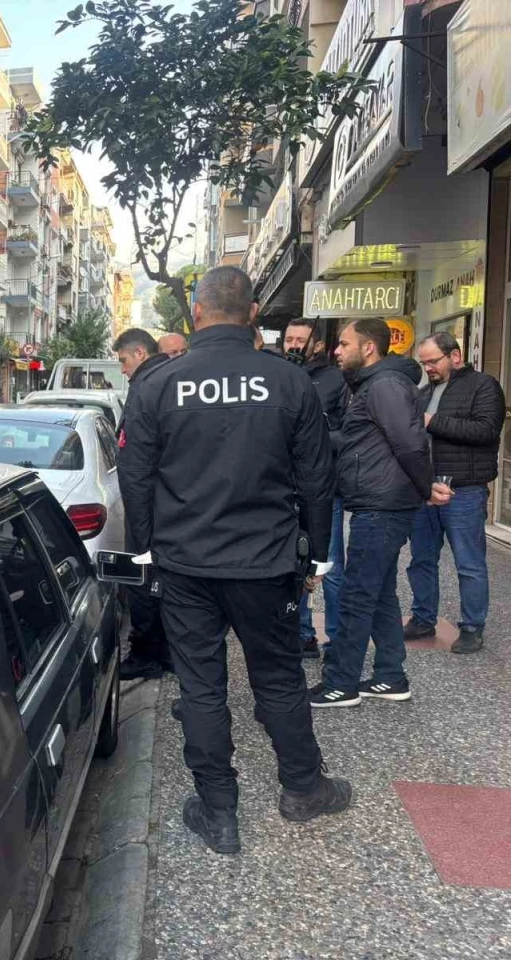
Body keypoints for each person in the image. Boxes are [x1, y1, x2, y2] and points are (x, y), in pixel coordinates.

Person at [119, 266, 349, 855]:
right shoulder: (289, 381)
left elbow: (135, 475)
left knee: (201, 686)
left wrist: (145, 550)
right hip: (266, 562)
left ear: (195, 313)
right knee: (279, 678)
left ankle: (219, 812)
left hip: (185, 564)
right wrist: (318, 556)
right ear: (253, 314)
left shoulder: (158, 382)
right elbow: (317, 478)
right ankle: (303, 788)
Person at [311, 318, 451, 708]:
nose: (336, 351)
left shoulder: (385, 385)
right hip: (378, 503)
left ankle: (341, 682)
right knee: (381, 595)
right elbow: (361, 439)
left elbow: (410, 443)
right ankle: (391, 676)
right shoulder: (372, 384)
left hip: (382, 507)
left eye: (344, 344)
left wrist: (426, 486)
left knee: (357, 594)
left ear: (368, 347)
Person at [405, 332, 506, 654]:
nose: (428, 368)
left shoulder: (483, 386)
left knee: (469, 563)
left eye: (433, 362)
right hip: (425, 489)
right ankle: (423, 619)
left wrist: (432, 421)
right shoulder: (423, 392)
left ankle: (472, 627)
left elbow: (486, 430)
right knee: (421, 559)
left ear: (455, 356)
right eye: (424, 363)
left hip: (464, 490)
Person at [283, 319, 349, 659]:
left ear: (318, 345)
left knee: (328, 566)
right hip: (285, 488)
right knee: (293, 565)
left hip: (323, 489)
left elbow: (349, 431)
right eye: (289, 339)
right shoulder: (278, 375)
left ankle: (337, 640)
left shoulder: (335, 379)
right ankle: (302, 635)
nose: (294, 345)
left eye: (301, 339)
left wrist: (315, 437)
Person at [112, 328, 172, 681]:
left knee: (144, 583)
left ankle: (146, 656)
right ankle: (166, 653)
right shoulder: (171, 378)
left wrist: (141, 534)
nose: (122, 369)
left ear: (140, 353)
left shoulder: (146, 386)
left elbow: (134, 468)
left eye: (123, 361)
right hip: (169, 505)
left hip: (149, 509)